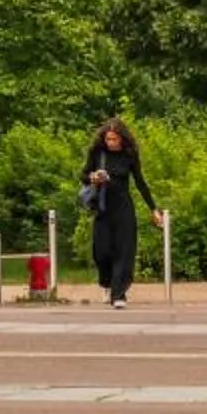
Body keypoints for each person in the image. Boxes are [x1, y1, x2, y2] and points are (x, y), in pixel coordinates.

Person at [82, 116, 163, 309]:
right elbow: (83, 175)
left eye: (114, 139)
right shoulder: (98, 152)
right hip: (103, 207)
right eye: (108, 139)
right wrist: (93, 177)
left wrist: (153, 209)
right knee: (102, 252)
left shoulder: (129, 155)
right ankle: (106, 282)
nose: (110, 143)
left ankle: (119, 294)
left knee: (124, 251)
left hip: (123, 207)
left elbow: (140, 183)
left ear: (122, 139)